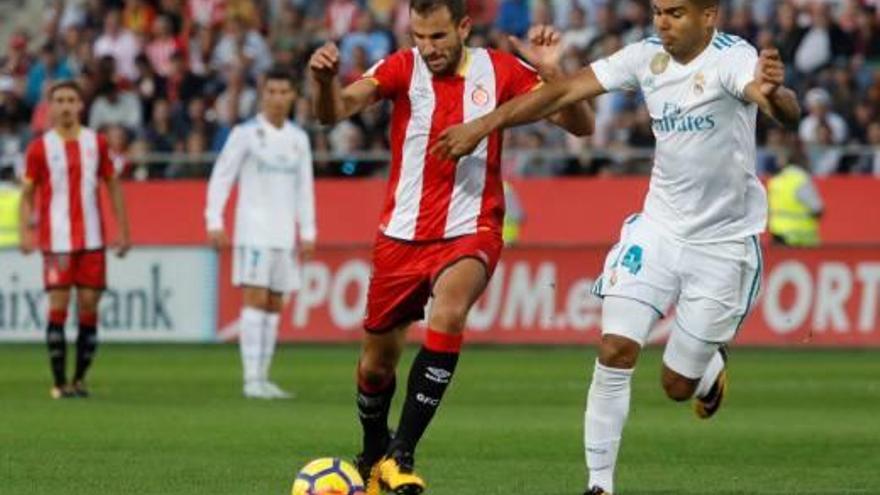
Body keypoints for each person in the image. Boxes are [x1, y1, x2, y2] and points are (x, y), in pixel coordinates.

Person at [433, 1, 801, 493]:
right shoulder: (644, 57)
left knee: (676, 386)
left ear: (708, 16)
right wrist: (483, 126)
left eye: (675, 13)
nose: (662, 23)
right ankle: (599, 485)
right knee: (615, 348)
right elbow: (563, 92)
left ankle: (708, 365)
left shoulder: (733, 57)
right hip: (658, 229)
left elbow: (778, 106)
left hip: (723, 244)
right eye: (656, 12)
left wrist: (775, 95)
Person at [309, 0, 592, 493]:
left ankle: (402, 452)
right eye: (420, 36)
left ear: (463, 26)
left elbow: (581, 124)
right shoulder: (401, 66)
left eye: (438, 36)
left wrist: (553, 72)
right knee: (375, 367)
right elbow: (336, 113)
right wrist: (322, 84)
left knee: (449, 313)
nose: (428, 48)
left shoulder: (499, 69)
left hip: (471, 227)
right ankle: (375, 450)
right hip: (401, 235)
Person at [205, 66, 316, 400]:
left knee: (273, 304)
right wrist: (214, 220)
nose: (278, 98)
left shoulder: (299, 139)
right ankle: (251, 378)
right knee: (254, 299)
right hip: (253, 232)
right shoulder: (245, 134)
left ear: (293, 95)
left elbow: (304, 188)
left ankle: (264, 377)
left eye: (284, 92)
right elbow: (221, 177)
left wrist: (308, 230)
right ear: (263, 93)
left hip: (284, 235)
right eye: (272, 91)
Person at [19, 80, 131, 400]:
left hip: (93, 240)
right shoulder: (40, 147)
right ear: (50, 107)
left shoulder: (96, 143)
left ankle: (79, 380)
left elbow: (112, 186)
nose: (66, 106)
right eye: (60, 100)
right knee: (57, 306)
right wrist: (28, 228)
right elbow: (27, 193)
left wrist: (123, 230)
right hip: (56, 241)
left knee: (88, 307)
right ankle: (58, 383)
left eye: (71, 100)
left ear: (81, 106)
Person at [768, 161, 823, 247]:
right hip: (799, 235)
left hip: (777, 231)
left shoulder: (775, 180)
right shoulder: (801, 180)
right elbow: (817, 208)